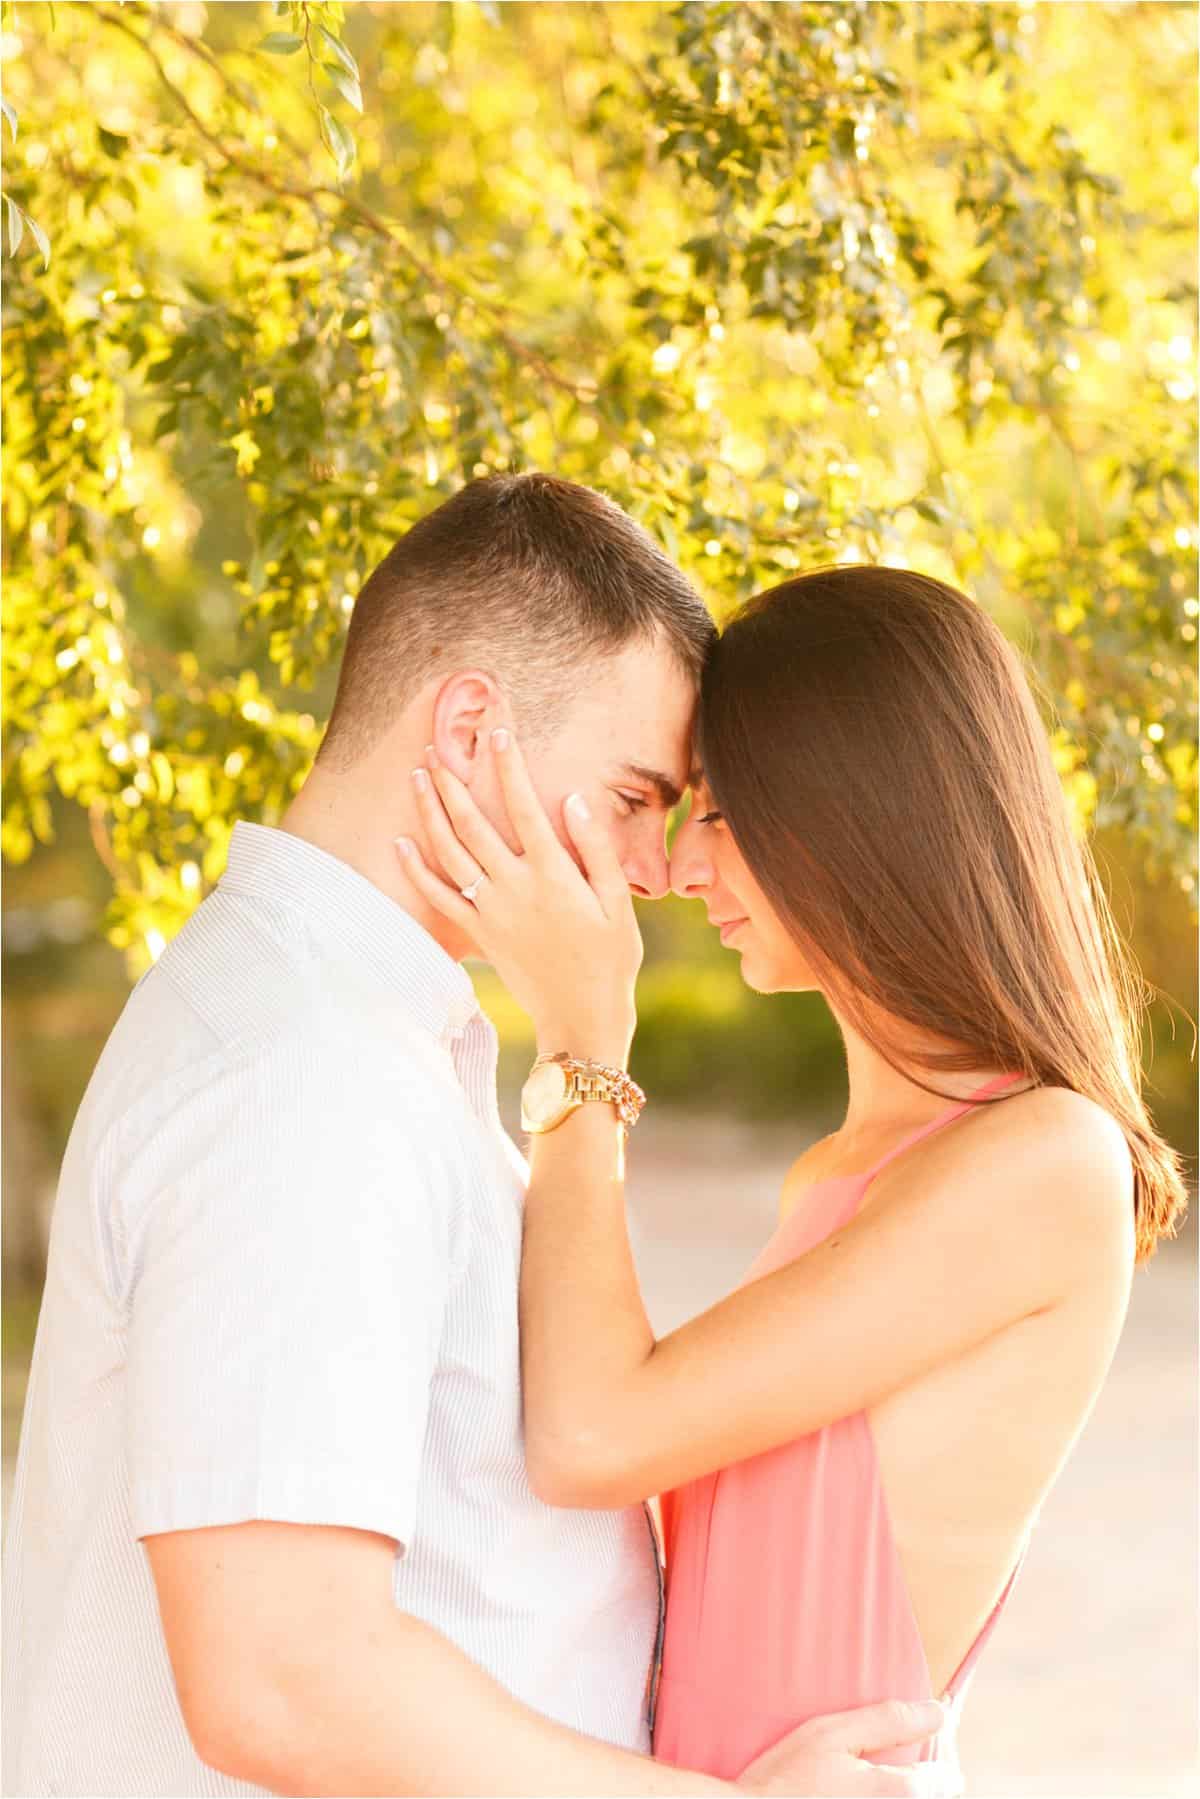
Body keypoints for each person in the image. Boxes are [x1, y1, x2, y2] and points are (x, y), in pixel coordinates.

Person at [2, 479, 948, 1799]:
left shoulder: (352, 1032)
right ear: (467, 724)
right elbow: (284, 1673)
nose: (651, 867)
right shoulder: (305, 1074)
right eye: (633, 795)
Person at [396, 563, 1188, 1786]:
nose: (676, 863)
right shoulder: (841, 1172)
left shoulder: (1044, 1159)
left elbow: (593, 1432)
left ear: (856, 803)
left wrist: (584, 1046)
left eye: (715, 808)